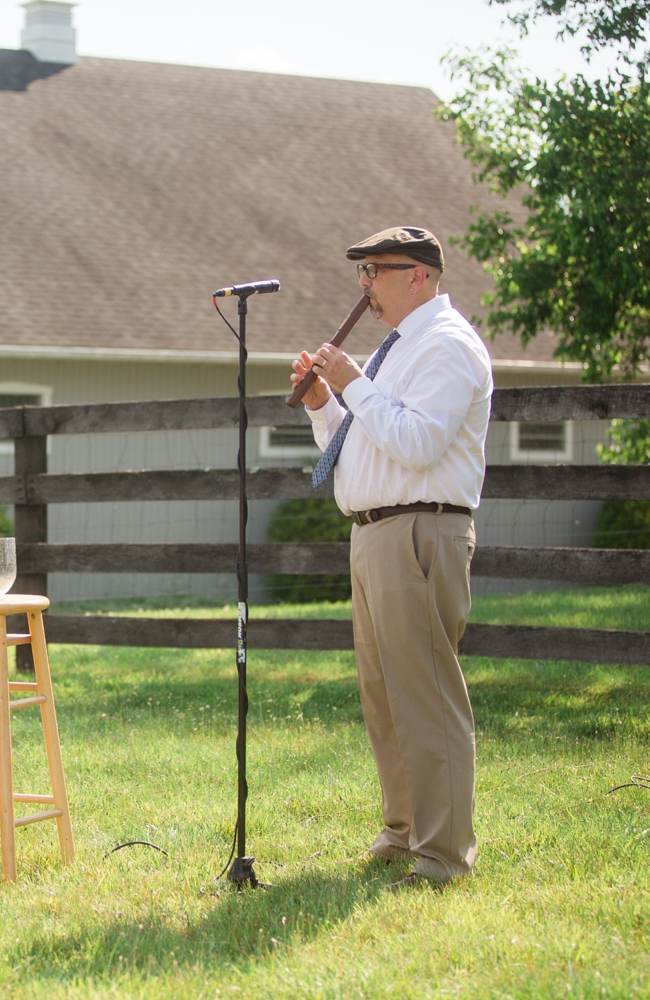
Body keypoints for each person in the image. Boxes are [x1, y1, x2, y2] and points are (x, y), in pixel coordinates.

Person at [290, 226, 493, 889]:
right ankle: (404, 832)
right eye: (364, 273)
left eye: (376, 270)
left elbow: (419, 445)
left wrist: (355, 383)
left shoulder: (448, 346)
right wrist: (326, 404)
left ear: (421, 276)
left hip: (421, 530)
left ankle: (444, 855)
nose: (367, 285)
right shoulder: (394, 351)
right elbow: (365, 442)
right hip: (374, 531)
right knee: (385, 699)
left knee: (426, 697)